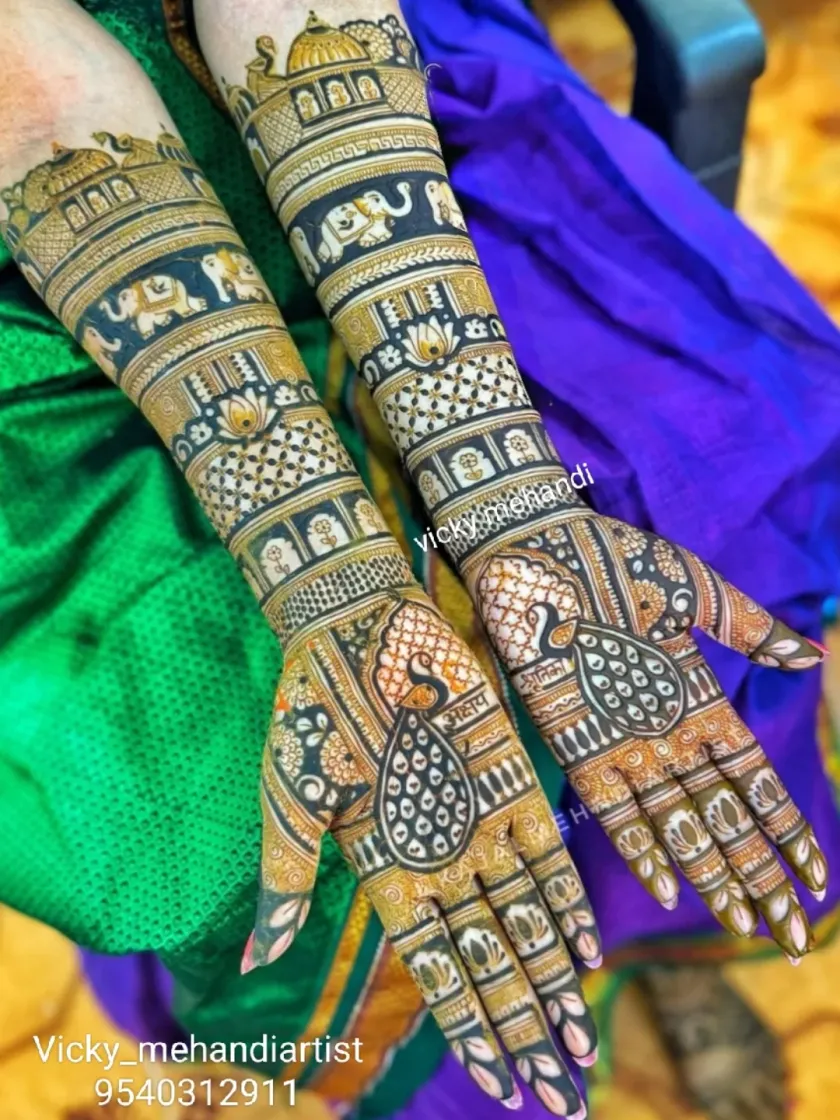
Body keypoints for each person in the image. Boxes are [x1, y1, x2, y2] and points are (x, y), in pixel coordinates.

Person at [1, 1, 839, 1118]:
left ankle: (659, 939)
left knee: (705, 487)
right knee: (185, 812)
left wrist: (502, 491)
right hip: (39, 284)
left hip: (345, 90)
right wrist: (336, 579)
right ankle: (415, 1055)